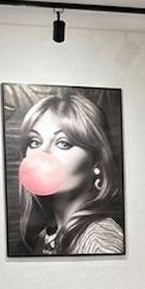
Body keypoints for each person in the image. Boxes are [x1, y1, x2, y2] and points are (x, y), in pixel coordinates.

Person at [16, 90, 124, 255]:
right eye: (35, 142)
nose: (42, 153)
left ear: (97, 162)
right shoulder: (45, 237)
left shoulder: (100, 241)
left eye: (64, 143)